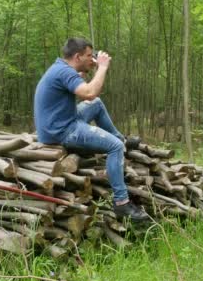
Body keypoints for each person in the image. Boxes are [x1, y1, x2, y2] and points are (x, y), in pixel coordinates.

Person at [34, 37, 148, 221]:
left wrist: (91, 71)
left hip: (60, 122)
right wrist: (102, 67)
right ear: (77, 57)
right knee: (115, 146)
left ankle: (122, 138)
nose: (92, 58)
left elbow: (90, 95)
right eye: (89, 55)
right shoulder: (64, 72)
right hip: (62, 131)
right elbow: (89, 92)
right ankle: (121, 203)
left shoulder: (61, 69)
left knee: (95, 104)